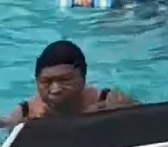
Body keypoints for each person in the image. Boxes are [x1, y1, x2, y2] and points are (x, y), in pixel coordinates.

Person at [1, 41, 134, 125]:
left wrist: (118, 114)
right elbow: (5, 123)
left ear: (83, 78)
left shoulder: (110, 102)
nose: (55, 89)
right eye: (46, 82)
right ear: (36, 82)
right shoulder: (27, 113)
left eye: (65, 80)